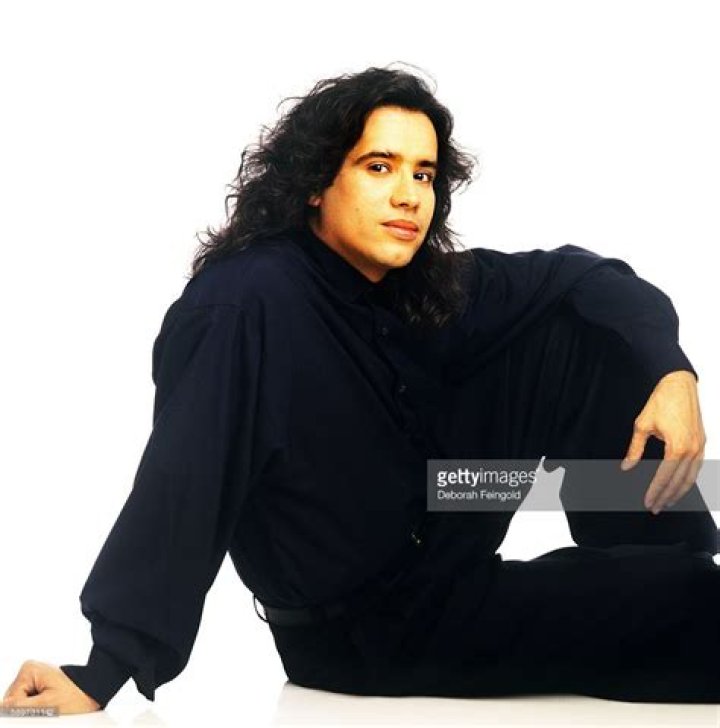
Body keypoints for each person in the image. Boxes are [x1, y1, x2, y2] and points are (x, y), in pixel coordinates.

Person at [3, 65, 717, 716]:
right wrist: (106, 667)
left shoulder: (411, 282)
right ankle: (669, 586)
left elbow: (588, 274)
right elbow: (186, 483)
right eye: (380, 167)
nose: (408, 195)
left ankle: (662, 554)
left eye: (424, 175)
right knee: (689, 611)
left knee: (587, 329)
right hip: (372, 624)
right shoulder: (248, 304)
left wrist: (673, 371)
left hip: (447, 503)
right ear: (316, 183)